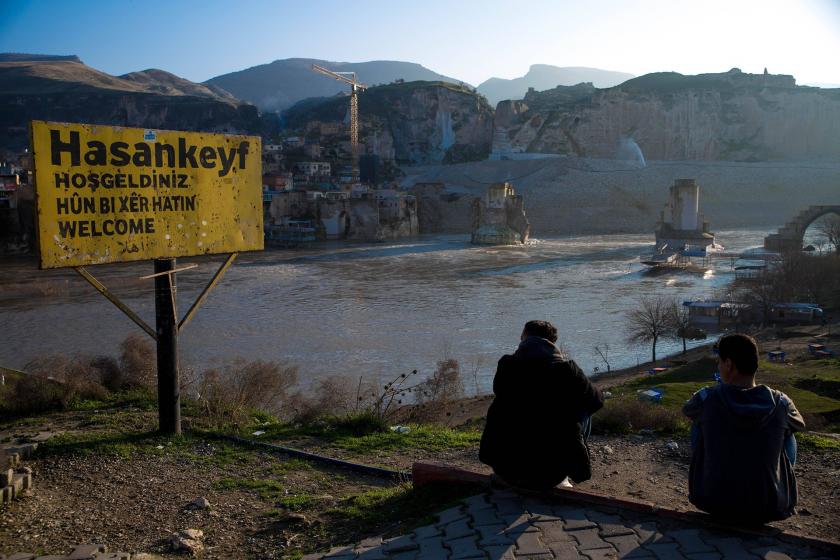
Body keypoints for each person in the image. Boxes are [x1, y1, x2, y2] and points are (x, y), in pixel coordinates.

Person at [683, 333, 805, 523]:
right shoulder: (780, 402)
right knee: (787, 432)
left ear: (729, 364)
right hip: (768, 506)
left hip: (712, 501)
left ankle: (711, 477)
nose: (718, 366)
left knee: (699, 423)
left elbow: (688, 409)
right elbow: (800, 424)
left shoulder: (707, 398)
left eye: (719, 362)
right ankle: (774, 484)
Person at [479, 320, 604, 490]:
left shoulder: (507, 365)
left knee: (507, 405)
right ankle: (567, 464)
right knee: (584, 407)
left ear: (524, 337)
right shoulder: (567, 370)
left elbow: (499, 390)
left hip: (505, 468)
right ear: (553, 342)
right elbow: (597, 401)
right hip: (550, 474)